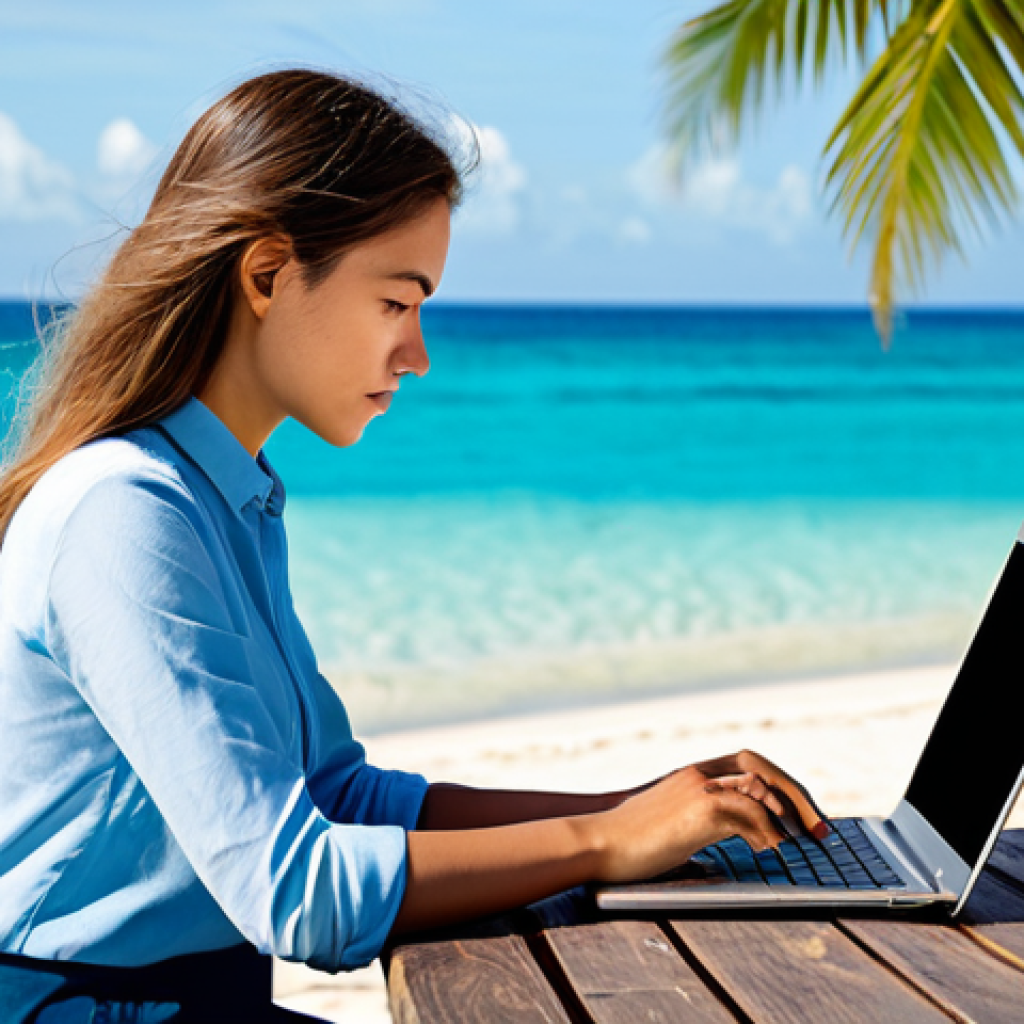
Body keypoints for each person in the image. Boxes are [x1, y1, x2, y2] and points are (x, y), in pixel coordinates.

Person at [0, 69, 828, 1022]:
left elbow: (338, 795)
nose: (419, 352)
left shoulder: (222, 501)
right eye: (398, 302)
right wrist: (604, 844)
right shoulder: (124, 514)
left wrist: (641, 806)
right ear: (267, 275)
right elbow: (294, 889)